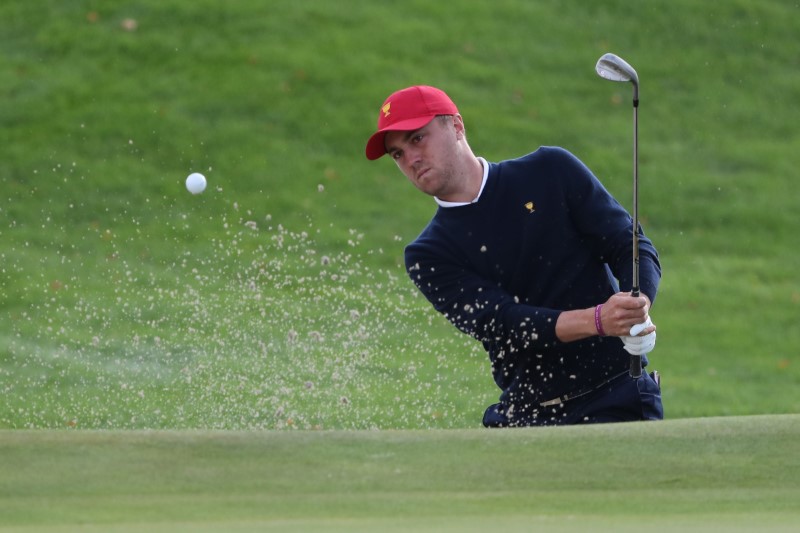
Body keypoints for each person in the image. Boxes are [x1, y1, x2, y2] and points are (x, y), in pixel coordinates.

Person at [364, 85, 663, 427]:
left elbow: (630, 246)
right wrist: (599, 320)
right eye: (397, 154)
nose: (411, 159)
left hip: (617, 396)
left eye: (417, 139)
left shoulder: (550, 170)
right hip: (531, 416)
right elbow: (507, 324)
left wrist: (637, 309)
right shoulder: (428, 254)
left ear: (457, 127)